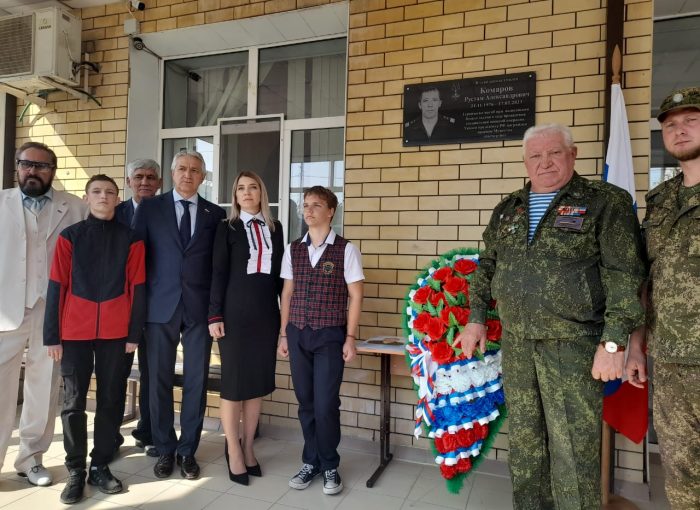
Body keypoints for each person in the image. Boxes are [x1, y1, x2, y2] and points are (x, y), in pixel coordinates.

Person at [455, 124, 646, 510]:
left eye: (554, 153)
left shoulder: (605, 201)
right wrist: (476, 318)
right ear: (525, 161)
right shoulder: (509, 208)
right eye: (535, 156)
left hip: (574, 347)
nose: (545, 162)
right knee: (525, 448)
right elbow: (487, 266)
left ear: (572, 155)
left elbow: (625, 275)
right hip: (518, 345)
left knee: (572, 454)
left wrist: (614, 343)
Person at [44, 174, 146, 504]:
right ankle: (75, 469)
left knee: (110, 401)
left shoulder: (132, 239)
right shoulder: (69, 237)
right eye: (97, 192)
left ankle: (100, 464)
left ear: (118, 199)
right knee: (73, 402)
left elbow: (138, 288)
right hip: (73, 333)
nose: (103, 196)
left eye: (110, 192)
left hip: (116, 335)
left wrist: (133, 333)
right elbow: (56, 286)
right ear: (86, 198)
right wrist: (52, 336)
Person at [625, 87, 700, 510]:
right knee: (683, 476)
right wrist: (636, 345)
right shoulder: (661, 201)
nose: (679, 130)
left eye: (691, 120)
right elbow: (645, 278)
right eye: (670, 124)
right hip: (671, 361)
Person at [133, 150, 225, 480]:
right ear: (172, 174)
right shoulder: (150, 208)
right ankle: (164, 447)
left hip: (199, 309)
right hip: (159, 308)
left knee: (197, 381)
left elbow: (218, 267)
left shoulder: (216, 214)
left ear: (203, 177)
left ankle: (187, 450)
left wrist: (216, 311)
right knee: (156, 381)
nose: (188, 174)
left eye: (196, 170)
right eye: (183, 169)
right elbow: (138, 262)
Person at [0, 142, 86, 488]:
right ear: (17, 167)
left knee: (43, 387)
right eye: (25, 164)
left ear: (53, 170)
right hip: (5, 310)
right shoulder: (1, 203)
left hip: (52, 313)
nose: (32, 171)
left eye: (41, 166)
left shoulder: (75, 207)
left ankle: (31, 459)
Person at [277, 186, 364, 496]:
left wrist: (350, 337)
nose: (309, 210)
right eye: (305, 205)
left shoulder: (345, 249)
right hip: (298, 332)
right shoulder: (293, 249)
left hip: (330, 334)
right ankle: (310, 461)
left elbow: (356, 295)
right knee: (306, 403)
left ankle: (329, 464)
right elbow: (286, 293)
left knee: (326, 404)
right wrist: (283, 333)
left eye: (316, 205)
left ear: (330, 212)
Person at [208, 171, 284, 486]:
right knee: (235, 385)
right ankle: (233, 450)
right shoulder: (227, 228)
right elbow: (217, 273)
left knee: (256, 385)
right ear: (235, 195)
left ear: (261, 193)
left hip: (267, 316)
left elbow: (283, 279)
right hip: (234, 316)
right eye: (241, 188)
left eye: (253, 187)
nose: (247, 192)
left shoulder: (276, 229)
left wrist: (286, 324)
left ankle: (249, 447)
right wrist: (214, 316)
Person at [113, 159, 162, 458]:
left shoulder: (165, 212)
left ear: (159, 183)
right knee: (116, 372)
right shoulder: (115, 213)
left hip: (157, 306)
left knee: (154, 372)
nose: (145, 182)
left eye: (151, 177)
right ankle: (110, 438)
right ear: (128, 181)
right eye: (139, 176)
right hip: (120, 306)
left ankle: (150, 430)